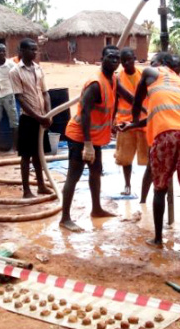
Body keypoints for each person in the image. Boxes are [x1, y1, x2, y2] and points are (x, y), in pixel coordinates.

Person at [122, 53, 180, 251]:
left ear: (160, 64)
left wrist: (134, 119)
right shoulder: (179, 82)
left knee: (159, 187)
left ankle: (158, 239)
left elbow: (137, 100)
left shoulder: (152, 72)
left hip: (164, 136)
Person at [59, 45, 122, 232]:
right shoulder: (95, 83)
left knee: (96, 171)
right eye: (110, 57)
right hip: (80, 136)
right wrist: (87, 144)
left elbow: (114, 102)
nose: (114, 60)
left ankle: (96, 209)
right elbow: (85, 112)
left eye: (116, 58)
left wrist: (112, 123)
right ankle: (65, 218)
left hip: (94, 138)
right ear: (101, 58)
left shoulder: (113, 80)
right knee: (74, 175)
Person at [8, 38, 53, 198]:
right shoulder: (15, 72)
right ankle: (27, 190)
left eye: (36, 50)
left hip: (42, 118)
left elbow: (45, 93)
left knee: (39, 154)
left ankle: (41, 186)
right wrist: (38, 117)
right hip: (28, 119)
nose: (35, 52)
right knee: (26, 156)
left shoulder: (39, 69)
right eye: (31, 50)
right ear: (22, 51)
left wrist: (48, 113)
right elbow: (20, 99)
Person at [113, 48, 150, 197]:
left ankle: (148, 186)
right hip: (125, 123)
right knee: (125, 157)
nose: (126, 63)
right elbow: (118, 99)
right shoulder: (118, 78)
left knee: (148, 157)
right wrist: (112, 122)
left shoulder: (144, 75)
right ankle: (127, 184)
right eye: (123, 61)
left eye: (129, 60)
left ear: (135, 58)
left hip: (143, 123)